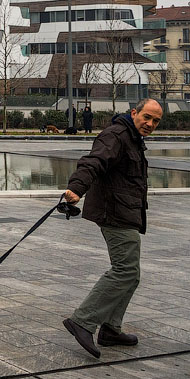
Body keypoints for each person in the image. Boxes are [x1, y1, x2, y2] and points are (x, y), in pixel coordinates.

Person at [61, 98, 163, 358]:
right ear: (134, 113)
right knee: (125, 270)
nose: (150, 124)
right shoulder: (117, 135)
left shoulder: (132, 137)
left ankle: (111, 329)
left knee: (131, 273)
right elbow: (93, 161)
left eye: (156, 121)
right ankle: (83, 321)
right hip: (114, 213)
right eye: (147, 117)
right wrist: (76, 188)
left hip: (125, 212)